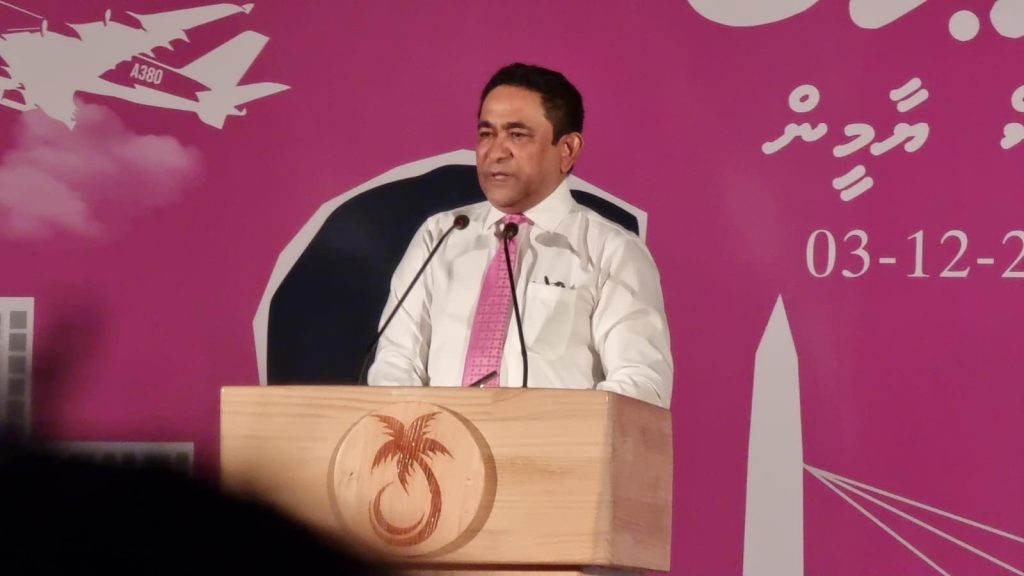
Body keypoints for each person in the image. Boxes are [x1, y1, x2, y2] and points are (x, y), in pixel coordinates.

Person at [368, 63, 672, 409]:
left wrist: (554, 433)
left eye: (517, 135)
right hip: (439, 441)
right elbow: (395, 364)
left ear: (567, 149)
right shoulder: (440, 236)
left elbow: (640, 384)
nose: (495, 152)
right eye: (486, 134)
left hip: (554, 443)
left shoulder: (612, 252)